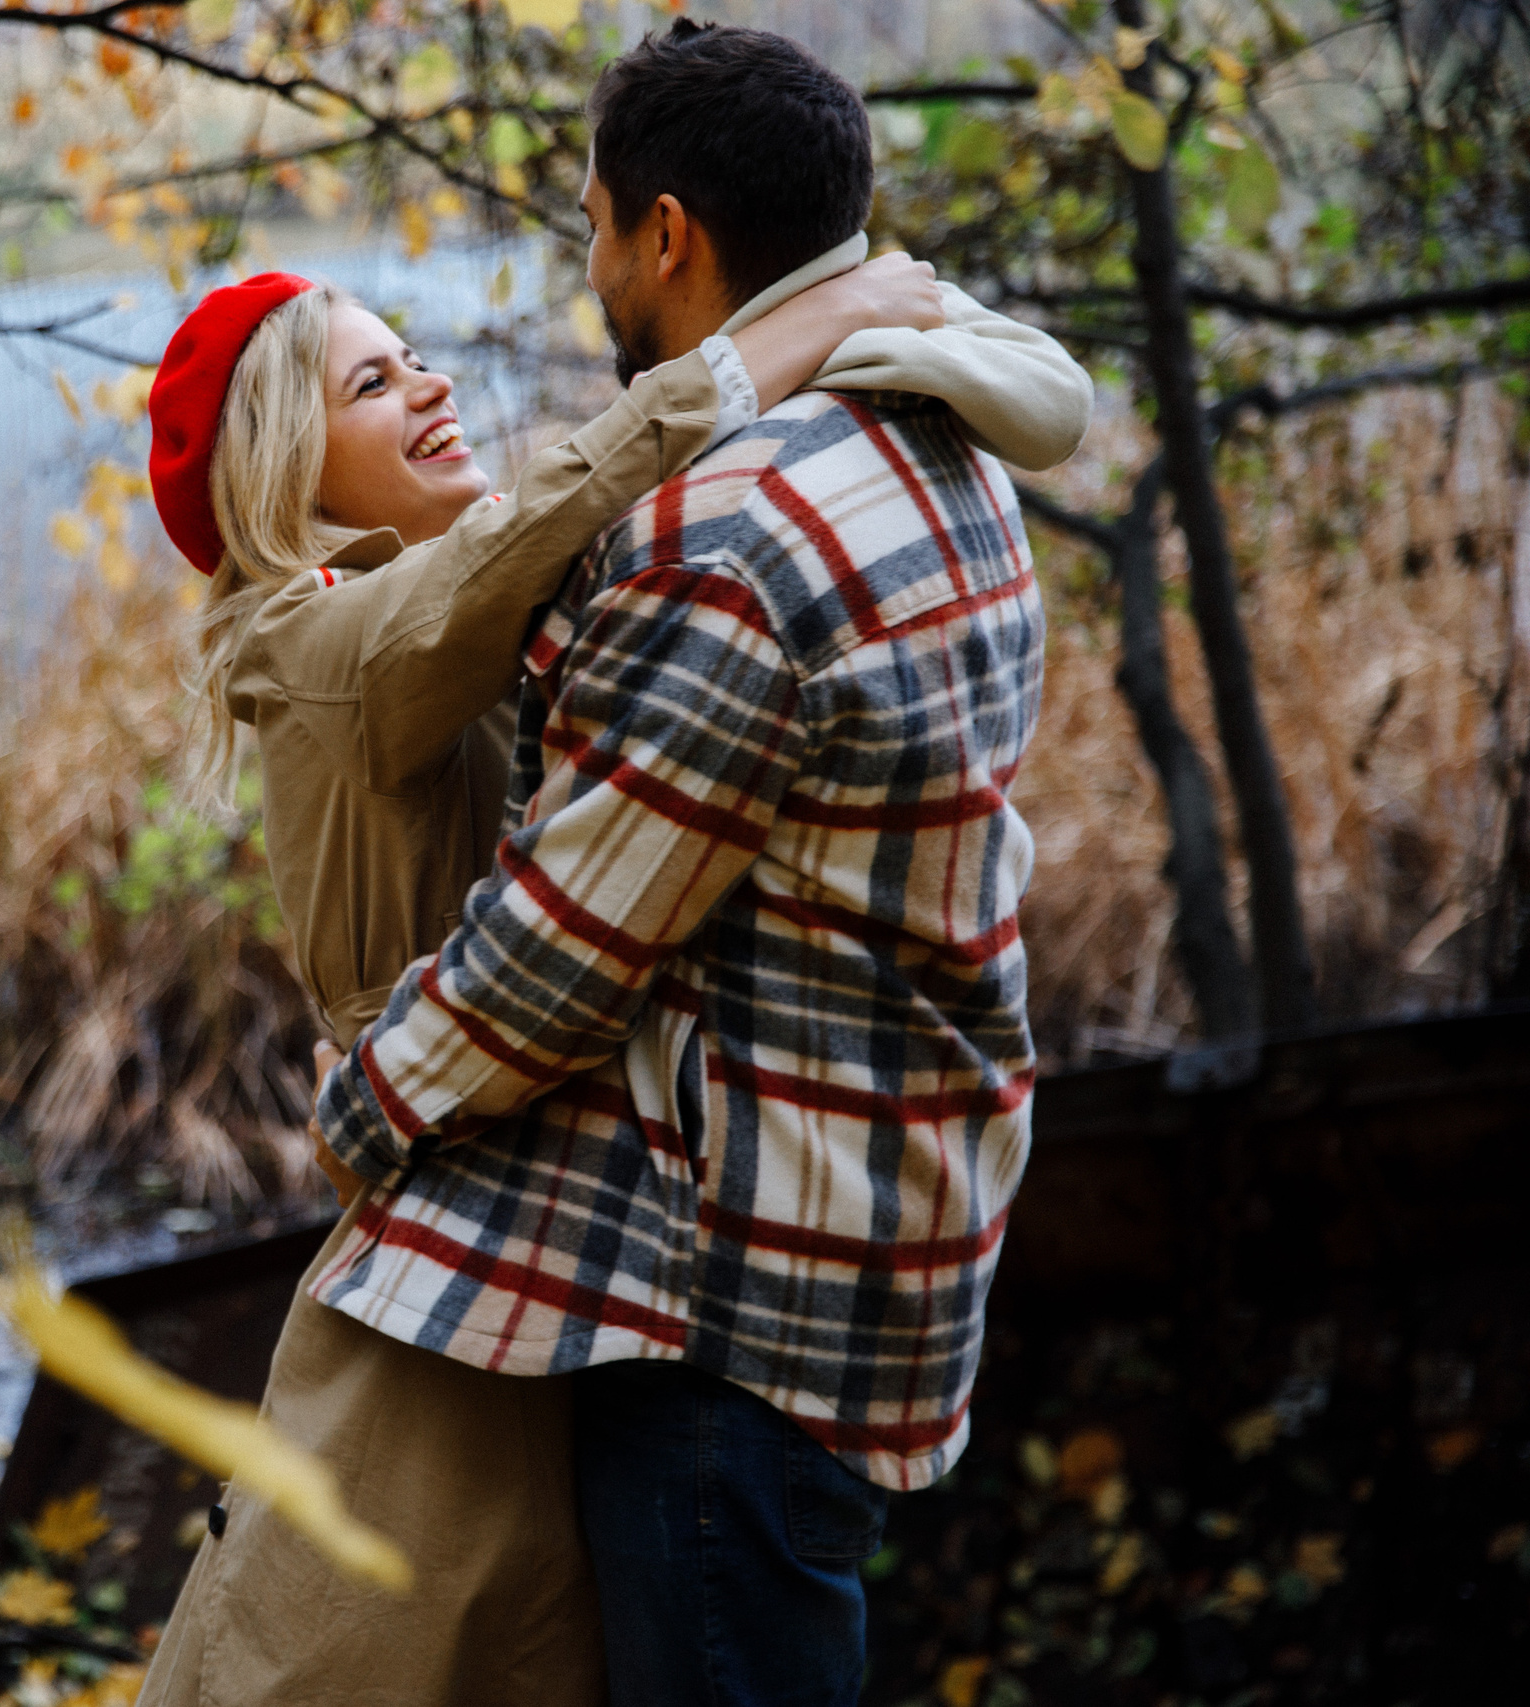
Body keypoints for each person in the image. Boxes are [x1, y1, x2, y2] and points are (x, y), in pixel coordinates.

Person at [304, 22, 1058, 1707]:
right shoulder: (953, 456)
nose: (586, 264)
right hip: (884, 1226)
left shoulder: (727, 539)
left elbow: (564, 947)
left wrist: (365, 1101)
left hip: (734, 1306)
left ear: (664, 233)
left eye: (587, 222)